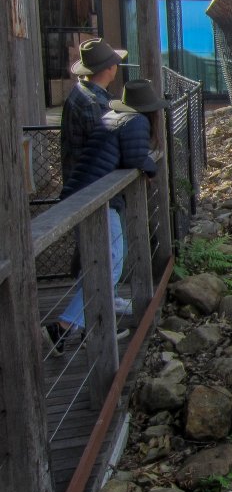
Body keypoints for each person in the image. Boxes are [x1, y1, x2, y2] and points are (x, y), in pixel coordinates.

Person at [46, 80, 168, 353]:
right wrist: (151, 169)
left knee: (100, 260)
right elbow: (136, 156)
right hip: (98, 199)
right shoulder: (136, 122)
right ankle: (64, 326)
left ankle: (91, 323)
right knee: (110, 262)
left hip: (82, 192)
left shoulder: (116, 116)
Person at [61, 37, 128, 184]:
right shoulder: (94, 104)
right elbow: (105, 151)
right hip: (94, 189)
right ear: (109, 67)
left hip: (78, 183)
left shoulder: (78, 92)